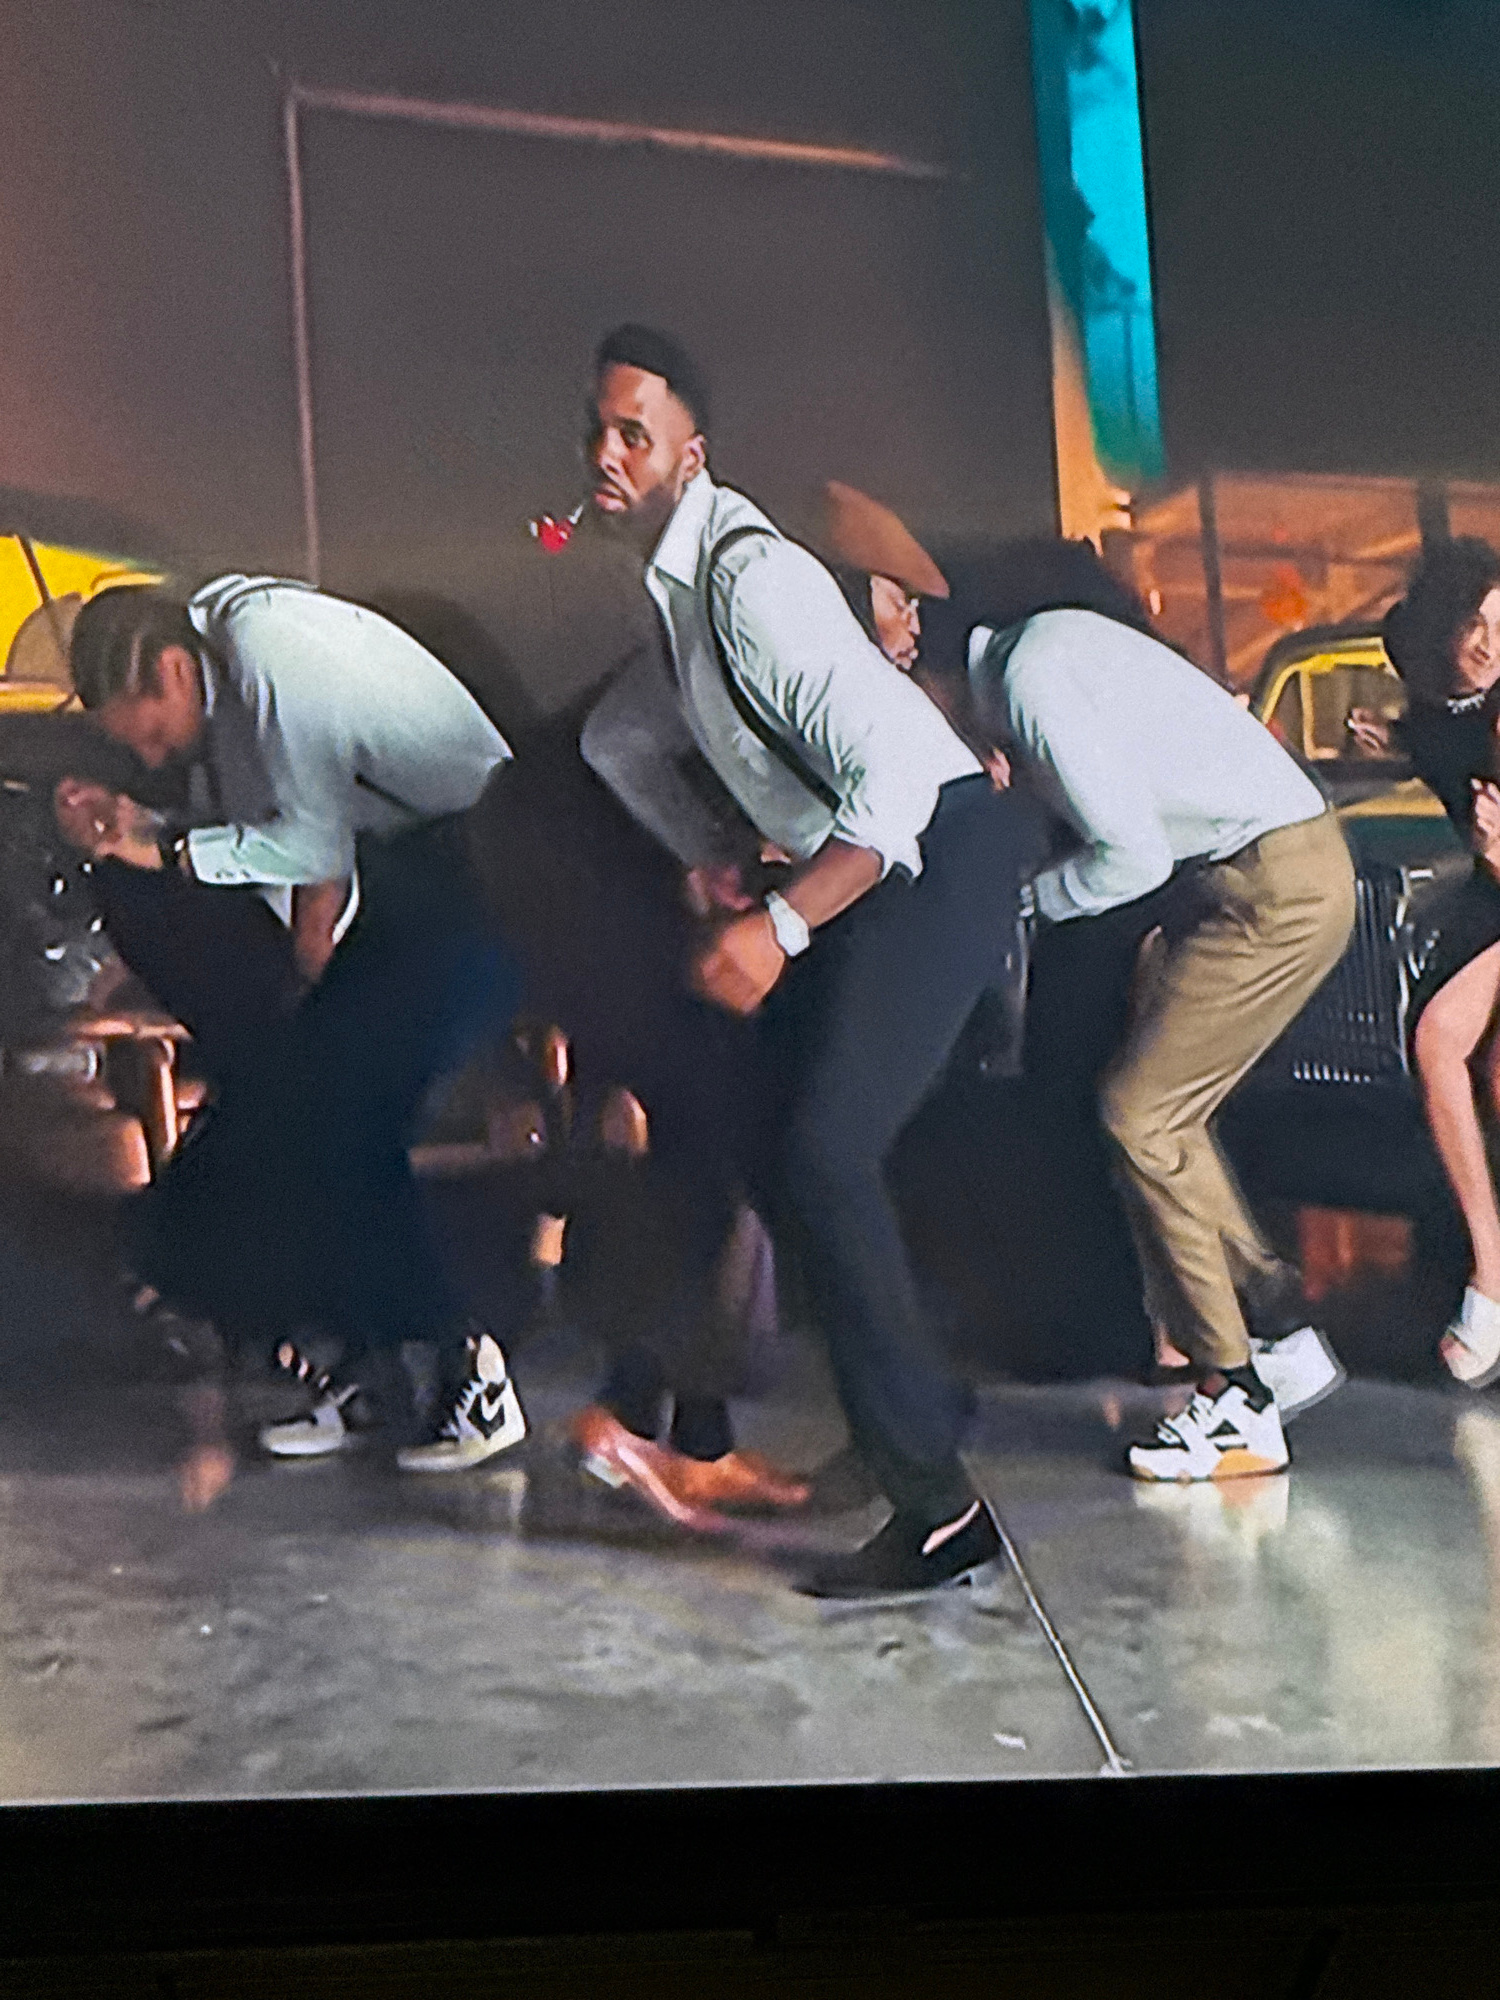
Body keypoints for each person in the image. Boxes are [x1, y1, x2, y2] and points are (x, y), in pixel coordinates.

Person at [576, 322, 1048, 1595]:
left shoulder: (749, 580)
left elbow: (892, 790)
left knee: (826, 1152)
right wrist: (711, 855)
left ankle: (940, 1513)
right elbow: (620, 740)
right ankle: (916, 1411)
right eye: (598, 430)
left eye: (635, 433)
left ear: (691, 453)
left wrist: (777, 926)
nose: (607, 453)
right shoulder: (677, 598)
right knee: (777, 1135)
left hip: (940, 856)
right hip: (873, 867)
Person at [54, 576, 528, 1472]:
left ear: (171, 671)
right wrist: (143, 825)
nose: (154, 753)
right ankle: (372, 1367)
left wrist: (154, 843)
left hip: (493, 873)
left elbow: (307, 846)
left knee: (352, 1110)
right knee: (303, 1102)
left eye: (149, 732)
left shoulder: (266, 649)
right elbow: (278, 837)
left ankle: (470, 1370)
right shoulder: (229, 679)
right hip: (414, 877)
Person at [963, 604, 1357, 1481]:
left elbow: (1133, 857)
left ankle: (1238, 1400)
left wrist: (1024, 904)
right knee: (1160, 1115)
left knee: (1140, 1116)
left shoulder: (1030, 684)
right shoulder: (1048, 647)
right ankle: (1276, 1327)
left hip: (1274, 887)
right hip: (1268, 875)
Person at [1380, 537, 1500, 1386]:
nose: (1490, 644)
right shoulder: (1436, 712)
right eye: (1475, 625)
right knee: (1440, 1043)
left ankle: (1491, 1278)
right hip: (1490, 895)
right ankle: (1491, 1270)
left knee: (1467, 1051)